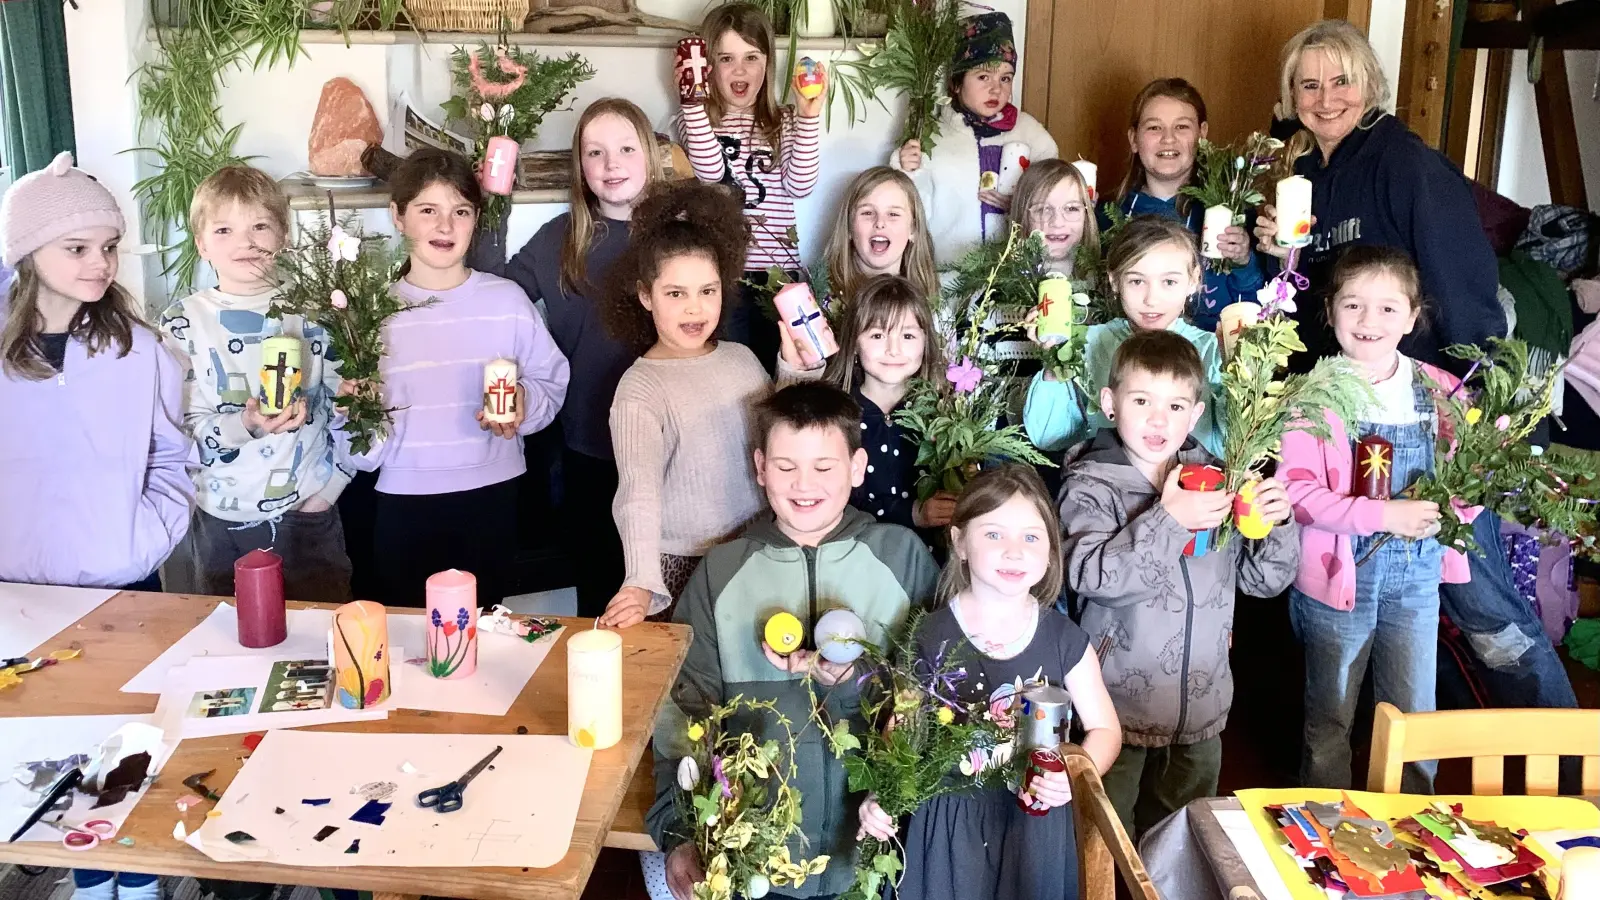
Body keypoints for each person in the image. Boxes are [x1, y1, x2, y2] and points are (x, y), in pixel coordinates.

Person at [645, 381, 940, 900]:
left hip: (878, 860)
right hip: (756, 864)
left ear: (856, 466)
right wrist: (679, 834)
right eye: (785, 466)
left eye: (824, 467)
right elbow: (682, 715)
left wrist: (862, 684)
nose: (805, 483)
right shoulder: (723, 570)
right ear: (760, 467)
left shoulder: (902, 557)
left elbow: (933, 695)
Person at [0, 151, 193, 900]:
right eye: (75, 248)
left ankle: (131, 884)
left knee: (119, 753)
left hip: (123, 582)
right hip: (18, 596)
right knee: (45, 760)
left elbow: (172, 453)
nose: (99, 263)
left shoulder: (137, 350)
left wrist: (146, 535)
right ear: (26, 254)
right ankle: (84, 880)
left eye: (108, 247)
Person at [1059, 330, 1299, 835]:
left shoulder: (1217, 480)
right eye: (1141, 400)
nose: (1157, 419)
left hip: (1201, 714)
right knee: (1103, 845)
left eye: (1175, 405)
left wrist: (1277, 524)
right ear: (1109, 403)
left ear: (1194, 415)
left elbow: (1261, 581)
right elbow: (1091, 576)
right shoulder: (1090, 485)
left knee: (1180, 848)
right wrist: (1169, 519)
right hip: (1114, 715)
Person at [857, 464, 1121, 900]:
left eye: (1031, 537)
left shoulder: (1065, 639)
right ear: (959, 541)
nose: (1014, 552)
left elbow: (1107, 730)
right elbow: (900, 730)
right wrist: (878, 794)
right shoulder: (928, 635)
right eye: (994, 534)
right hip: (945, 823)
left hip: (1034, 824)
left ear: (1051, 552)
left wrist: (1072, 777)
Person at [1280, 246, 1473, 793]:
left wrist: (1458, 508)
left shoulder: (1443, 391)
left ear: (1414, 317)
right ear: (1330, 311)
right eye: (1354, 305)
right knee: (1330, 718)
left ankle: (1414, 830)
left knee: (1414, 718)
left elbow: (1472, 477)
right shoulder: (1311, 395)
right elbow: (1298, 494)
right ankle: (1321, 830)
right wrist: (1382, 513)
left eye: (1389, 309)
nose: (1369, 322)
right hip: (1339, 581)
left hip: (1416, 581)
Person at [356, 148, 569, 607]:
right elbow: (355, 440)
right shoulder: (373, 313)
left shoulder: (506, 301)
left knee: (484, 633)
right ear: (398, 216)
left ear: (476, 219)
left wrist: (522, 405)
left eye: (460, 211)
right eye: (427, 210)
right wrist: (353, 413)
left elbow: (550, 379)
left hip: (490, 498)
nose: (445, 226)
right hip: (404, 501)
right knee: (407, 635)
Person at [1252, 19, 1503, 370]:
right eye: (1310, 85)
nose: (1326, 99)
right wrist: (1285, 257)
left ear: (1369, 84)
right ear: (1293, 96)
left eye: (1342, 81)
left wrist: (1478, 393)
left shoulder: (1408, 167)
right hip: (1326, 387)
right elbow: (1318, 293)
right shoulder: (1304, 173)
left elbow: (1462, 291)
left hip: (1408, 392)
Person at [158, 165, 354, 604]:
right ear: (201, 244)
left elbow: (354, 411)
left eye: (260, 226)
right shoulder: (182, 325)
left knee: (323, 638)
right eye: (224, 229)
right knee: (232, 646)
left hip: (308, 511)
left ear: (283, 236)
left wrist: (330, 489)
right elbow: (179, 430)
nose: (245, 242)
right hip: (221, 520)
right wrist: (245, 425)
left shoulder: (317, 313)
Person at [500, 98, 662, 617]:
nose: (611, 165)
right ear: (580, 166)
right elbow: (495, 299)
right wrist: (491, 202)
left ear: (649, 156)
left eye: (625, 149)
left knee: (666, 592)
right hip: (588, 448)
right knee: (600, 595)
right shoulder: (559, 240)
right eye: (596, 153)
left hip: (668, 447)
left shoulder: (678, 237)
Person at [597, 182, 779, 628]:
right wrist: (639, 580)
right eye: (675, 293)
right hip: (683, 567)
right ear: (645, 296)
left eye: (708, 291)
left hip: (758, 550)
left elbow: (781, 438)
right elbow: (637, 491)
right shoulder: (640, 387)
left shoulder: (742, 359)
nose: (694, 309)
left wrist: (801, 368)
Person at [677, 2, 824, 372]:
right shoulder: (692, 121)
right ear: (708, 67)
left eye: (751, 57)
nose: (739, 68)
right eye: (725, 58)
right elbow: (712, 172)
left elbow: (800, 185)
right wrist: (694, 101)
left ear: (768, 64)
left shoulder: (784, 122)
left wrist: (808, 117)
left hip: (781, 275)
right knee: (736, 374)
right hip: (725, 276)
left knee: (788, 372)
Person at [1023, 215, 1224, 456]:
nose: (1151, 299)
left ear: (1193, 281)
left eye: (1169, 281)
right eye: (1137, 281)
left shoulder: (1213, 350)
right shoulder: (1088, 343)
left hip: (1194, 486)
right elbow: (1049, 437)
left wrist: (1244, 374)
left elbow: (1232, 444)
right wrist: (1055, 359)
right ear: (1115, 281)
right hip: (1108, 487)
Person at [893, 11, 1058, 265]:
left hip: (1013, 283)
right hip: (947, 279)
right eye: (983, 77)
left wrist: (1022, 205)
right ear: (956, 83)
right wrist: (905, 170)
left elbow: (1056, 193)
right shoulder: (931, 137)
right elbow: (908, 213)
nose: (996, 89)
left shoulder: (1031, 135)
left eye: (1005, 78)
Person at [1107, 78, 1263, 332]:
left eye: (1181, 127)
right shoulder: (1109, 214)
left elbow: (1257, 310)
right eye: (1154, 128)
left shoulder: (1234, 212)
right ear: (1134, 139)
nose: (1168, 139)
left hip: (1215, 364)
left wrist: (1243, 261)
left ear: (1202, 134)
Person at [820, 273, 955, 531]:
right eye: (878, 336)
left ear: (926, 343)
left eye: (907, 336)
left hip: (928, 558)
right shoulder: (836, 415)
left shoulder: (942, 412)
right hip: (858, 553)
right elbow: (834, 500)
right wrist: (914, 513)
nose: (893, 349)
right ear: (855, 343)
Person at [992, 159, 1102, 386]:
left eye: (1071, 209)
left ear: (1086, 214)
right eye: (1042, 209)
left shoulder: (1106, 294)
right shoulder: (992, 297)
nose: (1057, 221)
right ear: (1023, 216)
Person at [813, 166, 939, 313]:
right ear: (849, 227)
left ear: (913, 229)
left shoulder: (933, 305)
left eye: (893, 214)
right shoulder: (817, 302)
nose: (880, 223)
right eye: (867, 212)